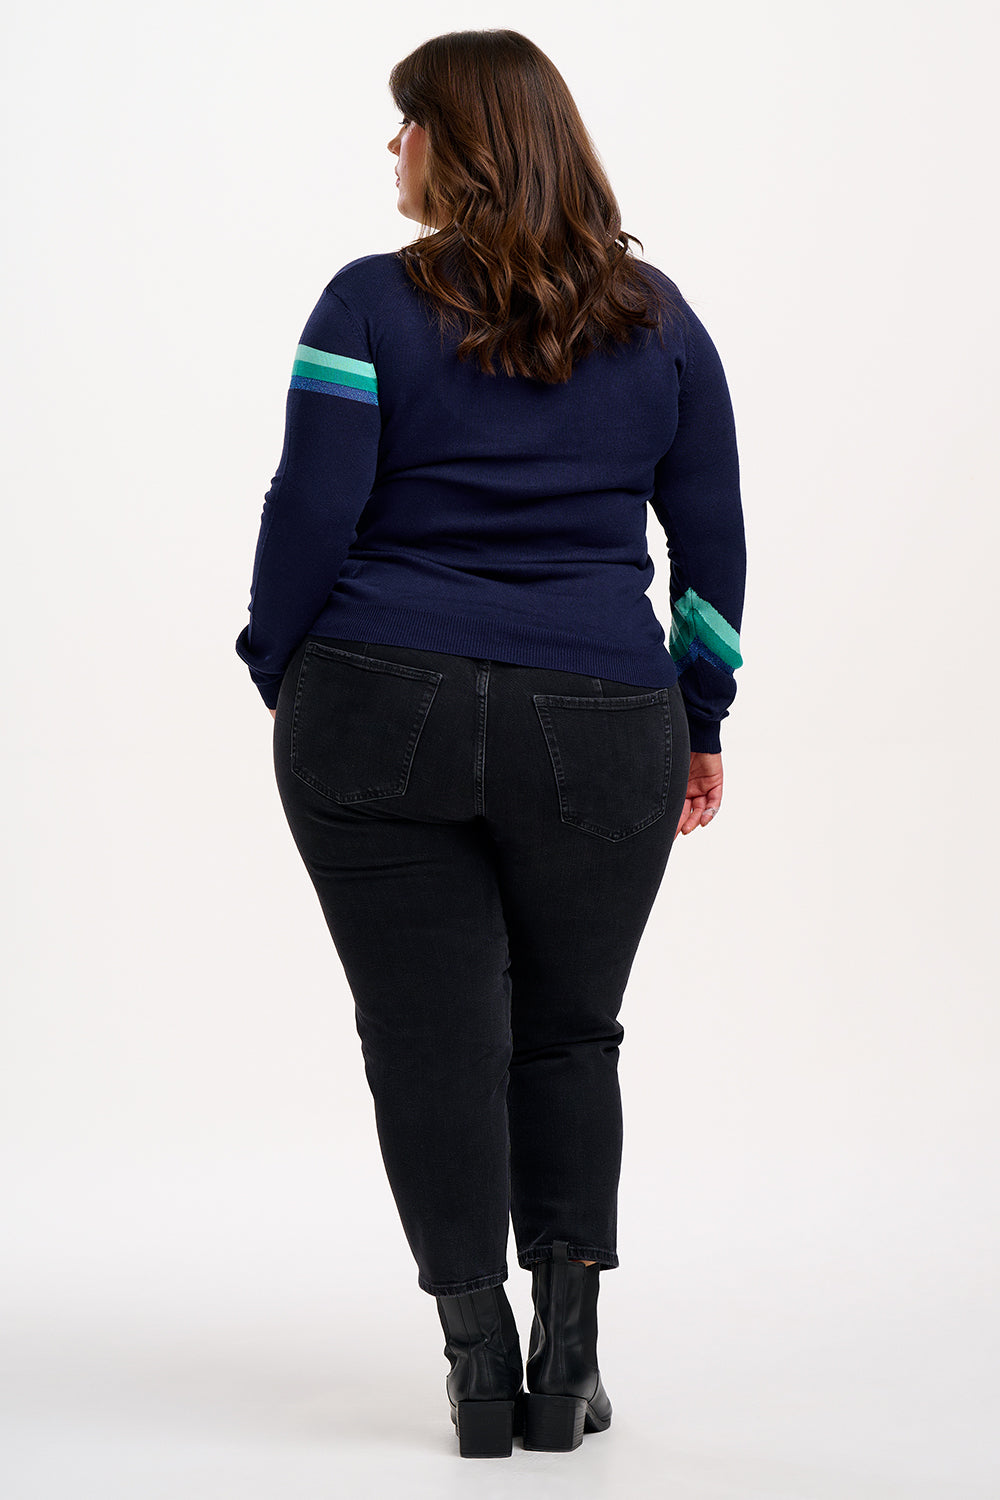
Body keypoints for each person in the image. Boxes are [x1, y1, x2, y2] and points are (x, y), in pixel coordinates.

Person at [234, 28, 746, 1459]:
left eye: (401, 126)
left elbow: (307, 518)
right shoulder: (659, 320)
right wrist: (698, 718)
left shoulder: (365, 307)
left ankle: (475, 1363)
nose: (388, 152)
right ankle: (564, 1370)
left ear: (454, 145)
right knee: (569, 1032)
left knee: (427, 1042)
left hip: (374, 699)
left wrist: (287, 671)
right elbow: (711, 546)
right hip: (599, 717)